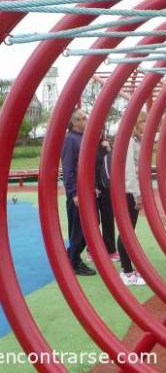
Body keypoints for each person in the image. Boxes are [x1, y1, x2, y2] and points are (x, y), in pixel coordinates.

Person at [61, 109, 96, 276]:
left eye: (85, 117)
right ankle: (74, 262)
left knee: (91, 225)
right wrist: (73, 193)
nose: (86, 120)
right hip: (77, 194)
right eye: (83, 118)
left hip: (87, 191)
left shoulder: (83, 138)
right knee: (79, 230)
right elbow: (68, 169)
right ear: (74, 122)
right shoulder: (70, 140)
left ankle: (72, 256)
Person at [116, 112, 147, 286]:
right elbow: (129, 169)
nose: (145, 124)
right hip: (128, 191)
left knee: (129, 230)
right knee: (127, 231)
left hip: (130, 190)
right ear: (135, 123)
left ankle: (128, 269)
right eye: (142, 121)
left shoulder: (136, 140)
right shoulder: (129, 141)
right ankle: (126, 271)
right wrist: (136, 194)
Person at [93, 134, 119, 262]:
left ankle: (110, 249)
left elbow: (115, 160)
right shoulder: (88, 145)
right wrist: (93, 185)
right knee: (94, 220)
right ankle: (92, 250)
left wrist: (109, 148)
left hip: (106, 187)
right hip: (94, 187)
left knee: (108, 218)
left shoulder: (105, 146)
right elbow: (86, 167)